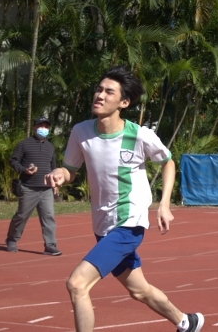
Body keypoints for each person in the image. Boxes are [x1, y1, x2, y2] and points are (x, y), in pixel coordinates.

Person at [44, 66, 204, 332]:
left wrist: (164, 205)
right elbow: (70, 170)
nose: (100, 95)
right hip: (102, 224)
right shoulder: (81, 132)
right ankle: (186, 322)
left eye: (109, 92)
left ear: (124, 102)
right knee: (139, 290)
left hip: (129, 223)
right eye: (99, 89)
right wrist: (60, 174)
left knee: (77, 284)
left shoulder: (139, 135)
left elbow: (168, 162)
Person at [5, 116, 61, 256]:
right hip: (28, 187)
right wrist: (24, 170)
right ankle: (12, 240)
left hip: (46, 189)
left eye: (46, 127)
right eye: (40, 126)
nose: (43, 129)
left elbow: (53, 166)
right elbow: (13, 160)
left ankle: (50, 245)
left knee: (48, 217)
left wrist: (55, 184)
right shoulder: (24, 144)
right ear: (34, 128)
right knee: (21, 216)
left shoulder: (50, 147)